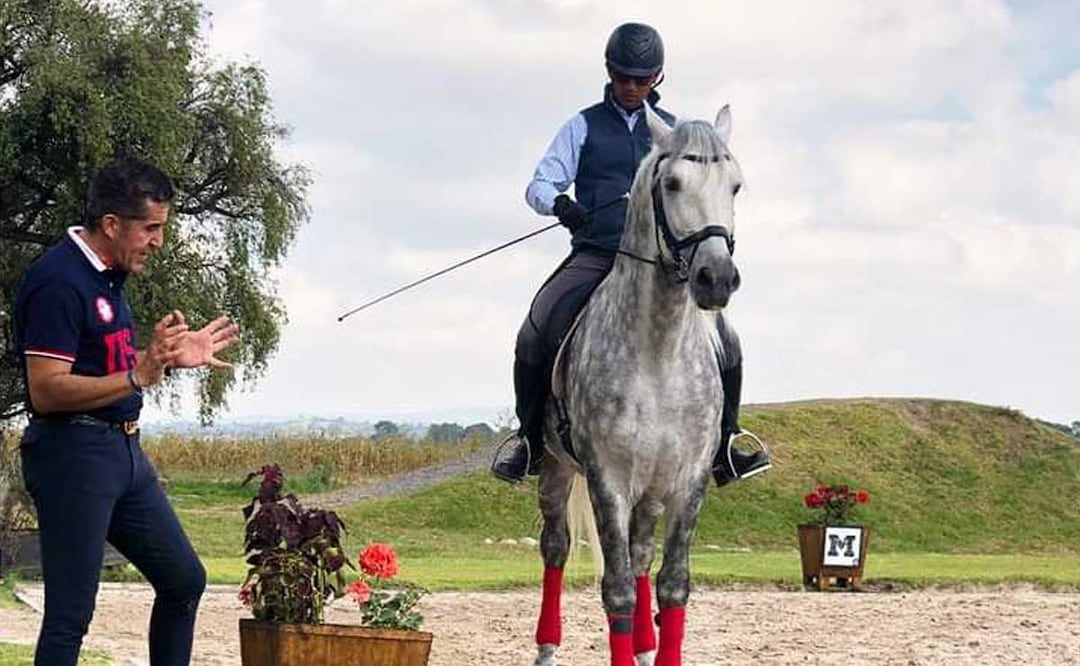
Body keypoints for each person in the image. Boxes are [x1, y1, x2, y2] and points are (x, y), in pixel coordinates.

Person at [491, 22, 771, 487]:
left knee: (727, 340)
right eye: (624, 78)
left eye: (642, 80)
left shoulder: (680, 133)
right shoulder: (582, 125)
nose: (632, 88)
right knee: (535, 326)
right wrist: (562, 205)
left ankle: (726, 444)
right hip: (597, 253)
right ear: (609, 72)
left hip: (664, 268)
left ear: (657, 77)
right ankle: (530, 443)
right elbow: (539, 184)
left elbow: (709, 188)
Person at [13, 157, 240, 666]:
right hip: (73, 454)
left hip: (124, 451)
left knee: (184, 580)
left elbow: (110, 364)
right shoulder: (58, 280)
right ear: (112, 224)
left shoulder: (108, 278)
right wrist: (138, 374)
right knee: (71, 616)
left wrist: (165, 360)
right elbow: (47, 390)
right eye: (151, 227)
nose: (158, 240)